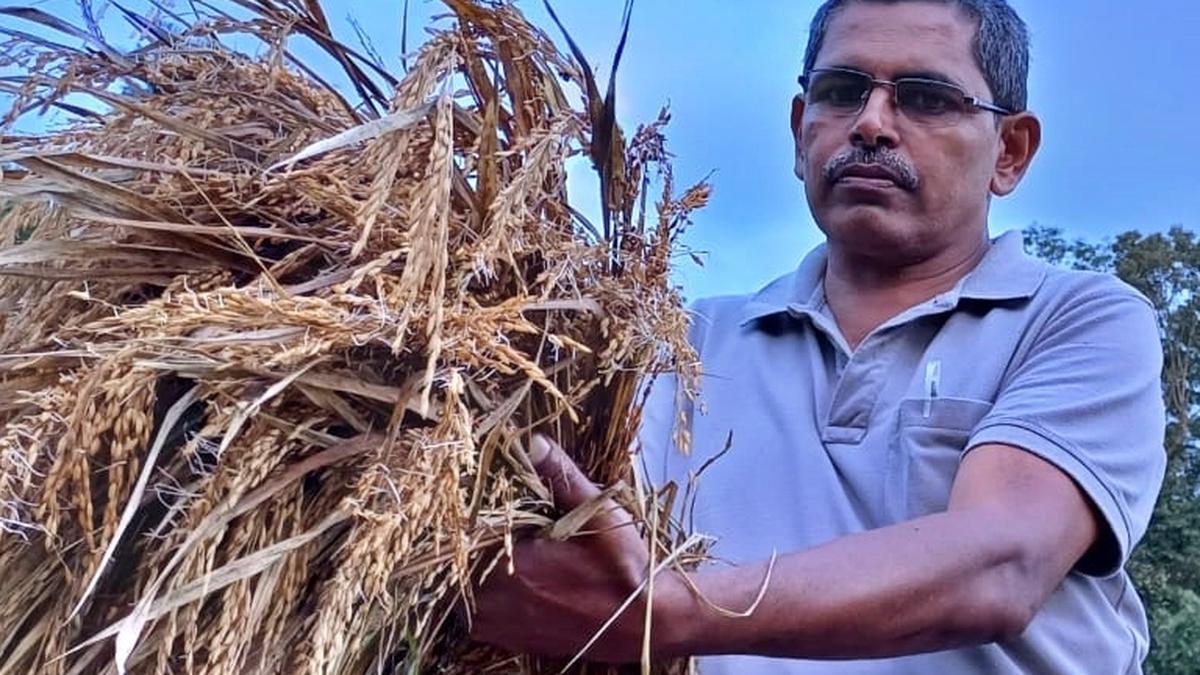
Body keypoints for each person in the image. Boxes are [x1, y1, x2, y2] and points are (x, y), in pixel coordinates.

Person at [470, 1, 1168, 672]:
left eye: (925, 97)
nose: (871, 124)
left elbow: (1003, 563)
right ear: (801, 130)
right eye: (841, 90)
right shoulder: (675, 346)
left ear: (1010, 152)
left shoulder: (1078, 321)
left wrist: (673, 610)